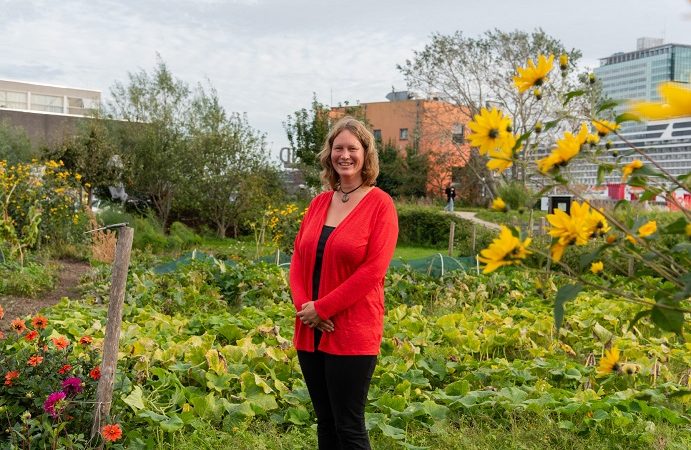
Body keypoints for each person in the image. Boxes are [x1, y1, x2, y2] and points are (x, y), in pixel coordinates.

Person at [290, 116, 398, 449]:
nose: (345, 155)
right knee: (325, 423)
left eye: (353, 148)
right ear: (329, 155)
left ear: (366, 155)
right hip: (310, 332)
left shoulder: (381, 205)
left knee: (349, 427)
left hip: (351, 331)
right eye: (338, 148)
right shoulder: (319, 202)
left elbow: (372, 271)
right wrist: (306, 309)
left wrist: (323, 307)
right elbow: (297, 259)